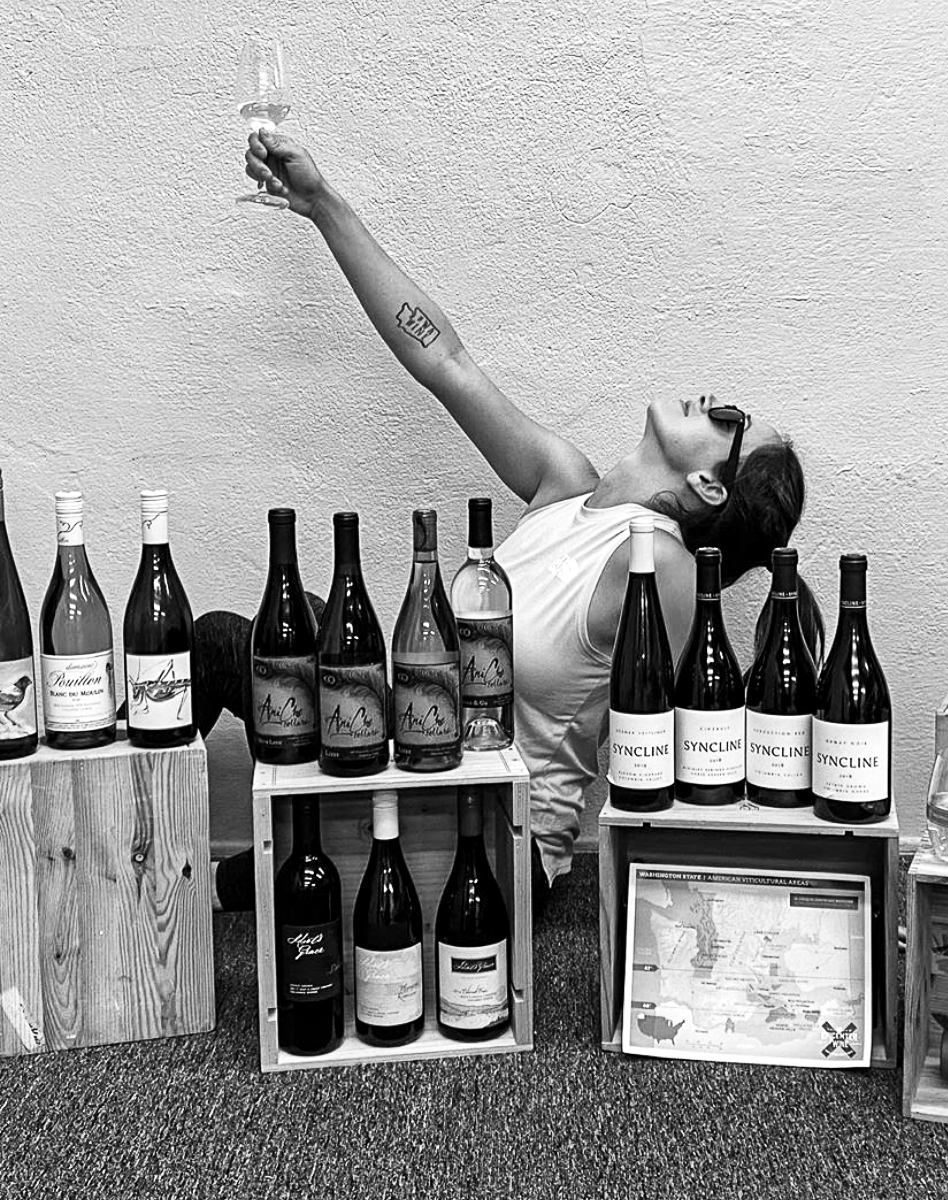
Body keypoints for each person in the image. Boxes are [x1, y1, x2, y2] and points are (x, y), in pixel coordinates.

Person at [211, 130, 821, 912]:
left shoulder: (659, 566)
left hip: (498, 842)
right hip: (414, 757)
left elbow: (691, 731)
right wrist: (323, 204)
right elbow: (446, 362)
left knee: (247, 870)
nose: (713, 398)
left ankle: (205, 893)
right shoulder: (567, 485)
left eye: (731, 419)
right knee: (239, 639)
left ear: (707, 484)